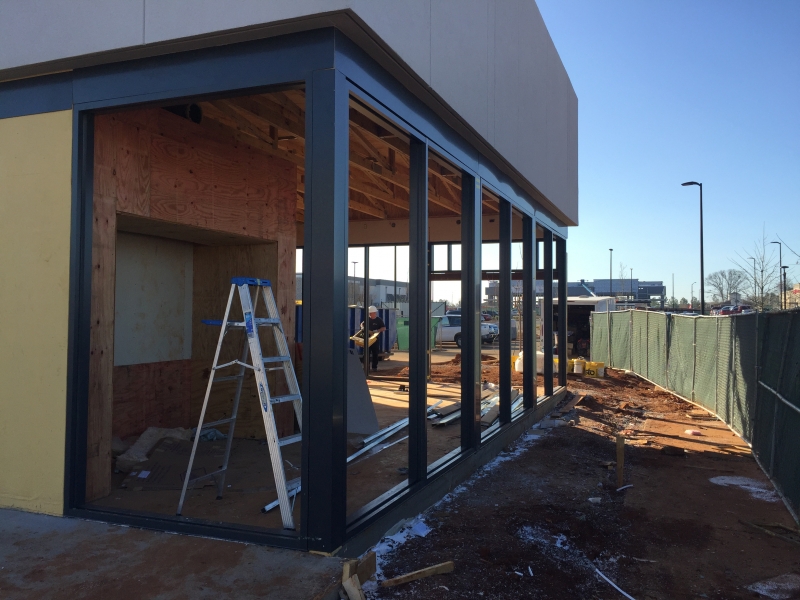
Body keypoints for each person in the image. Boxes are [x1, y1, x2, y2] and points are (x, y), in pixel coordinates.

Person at [361, 305, 386, 370]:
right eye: (371, 313)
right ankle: (366, 367)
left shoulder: (378, 320)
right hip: (367, 339)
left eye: (373, 313)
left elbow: (384, 328)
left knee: (375, 353)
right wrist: (363, 328)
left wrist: (378, 330)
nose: (373, 314)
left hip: (375, 339)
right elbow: (362, 324)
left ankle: (374, 367)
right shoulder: (367, 319)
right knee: (366, 353)